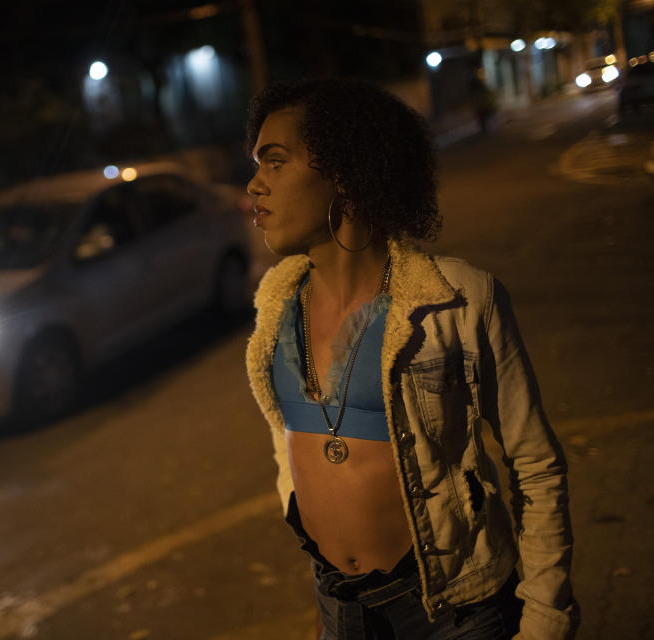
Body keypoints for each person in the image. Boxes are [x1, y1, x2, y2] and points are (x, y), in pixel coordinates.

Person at [243, 78, 578, 639]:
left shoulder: (457, 300)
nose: (254, 184)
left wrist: (545, 616)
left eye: (275, 162)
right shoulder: (275, 312)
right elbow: (289, 444)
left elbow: (535, 464)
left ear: (345, 172)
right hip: (340, 610)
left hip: (454, 614)